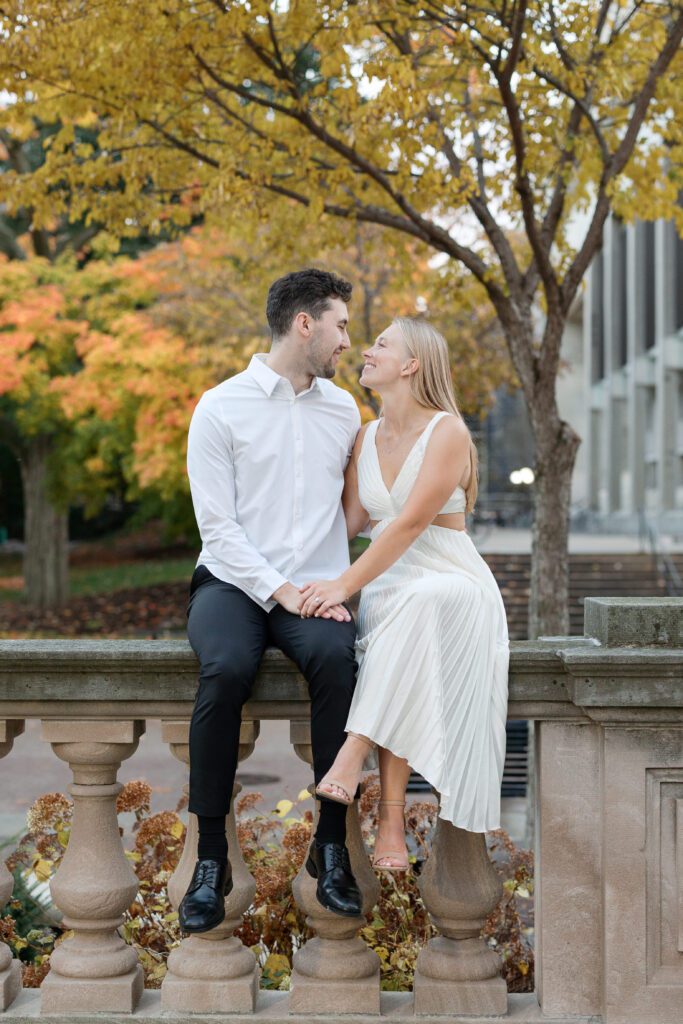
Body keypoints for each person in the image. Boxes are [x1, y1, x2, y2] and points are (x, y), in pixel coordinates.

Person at [179, 269, 364, 932]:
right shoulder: (220, 407)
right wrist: (280, 588)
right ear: (303, 323)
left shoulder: (344, 410)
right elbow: (217, 529)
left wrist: (335, 576)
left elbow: (354, 505)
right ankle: (209, 860)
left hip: (311, 588)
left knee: (341, 663)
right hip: (231, 581)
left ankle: (331, 845)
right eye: (340, 324)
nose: (348, 339)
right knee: (225, 668)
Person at [299, 317, 509, 871]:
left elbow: (412, 523)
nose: (365, 351)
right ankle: (390, 819)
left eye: (381, 345)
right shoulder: (364, 437)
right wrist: (281, 572)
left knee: (412, 608)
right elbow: (343, 525)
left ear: (412, 364)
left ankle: (352, 756)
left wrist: (344, 585)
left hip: (452, 580)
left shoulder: (449, 432)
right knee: (397, 629)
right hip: (390, 583)